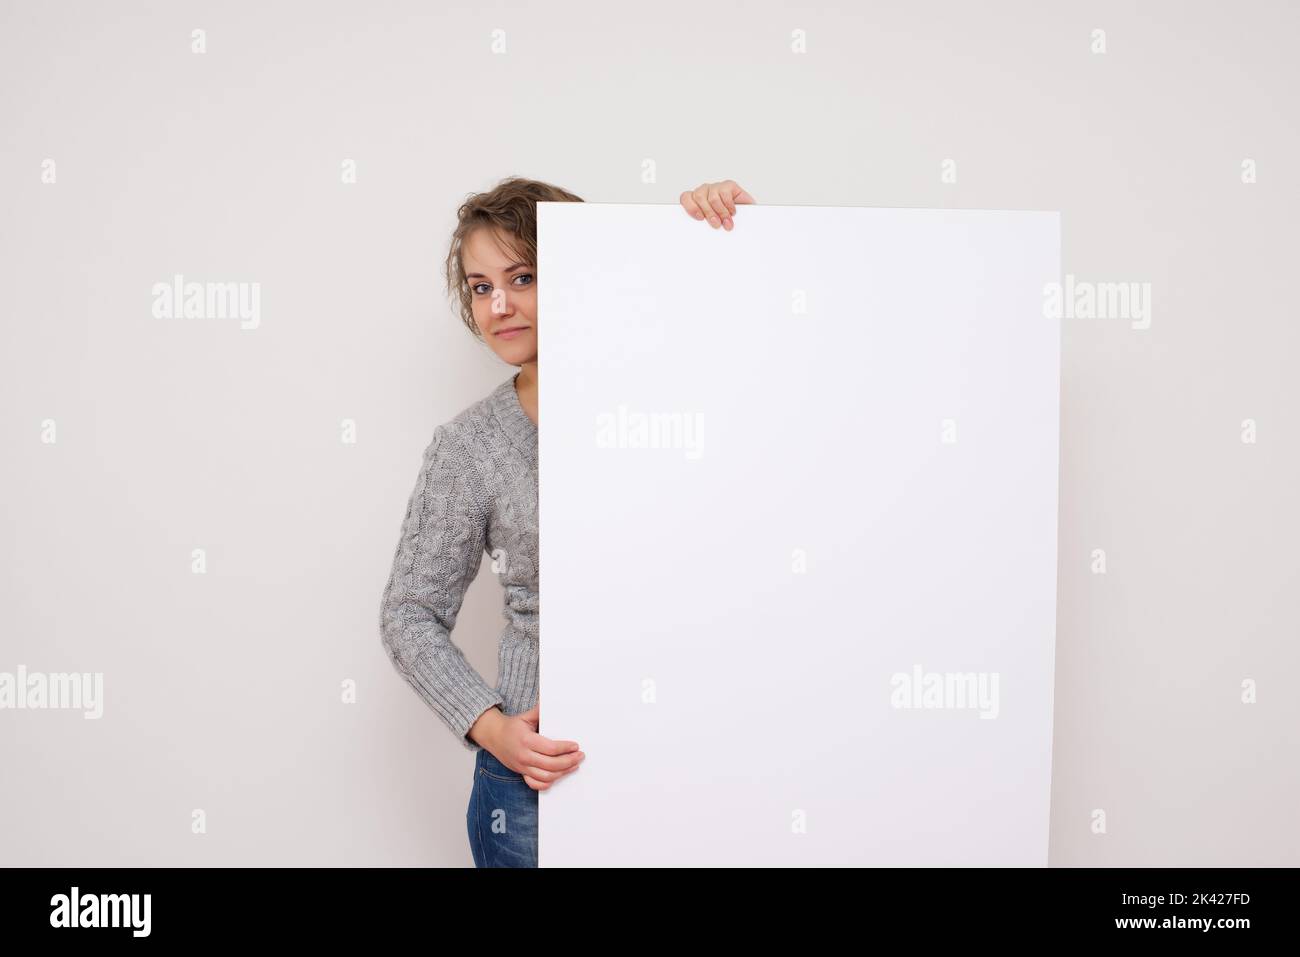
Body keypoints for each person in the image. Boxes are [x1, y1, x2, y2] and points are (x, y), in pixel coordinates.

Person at [379, 176, 756, 868]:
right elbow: (408, 612)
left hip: (680, 760)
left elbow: (762, 374)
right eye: (480, 286)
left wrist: (726, 241)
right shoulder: (470, 447)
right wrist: (492, 728)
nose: (499, 306)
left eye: (522, 277)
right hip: (534, 786)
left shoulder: (671, 405)